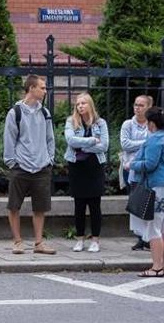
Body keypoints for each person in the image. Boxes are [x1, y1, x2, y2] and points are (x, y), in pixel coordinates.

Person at [3, 75, 56, 255]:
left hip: (42, 166)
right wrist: (12, 162)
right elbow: (9, 138)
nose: (45, 90)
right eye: (42, 87)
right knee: (14, 206)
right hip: (20, 165)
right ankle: (17, 241)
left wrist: (50, 159)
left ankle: (39, 243)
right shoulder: (15, 112)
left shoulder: (45, 113)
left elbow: (50, 138)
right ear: (31, 88)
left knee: (40, 207)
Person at [129, 107, 164, 277]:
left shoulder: (155, 140)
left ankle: (156, 267)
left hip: (158, 187)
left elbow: (150, 164)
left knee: (154, 227)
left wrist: (132, 165)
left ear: (152, 123)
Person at [64, 93, 109, 253]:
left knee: (95, 205)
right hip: (77, 167)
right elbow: (70, 141)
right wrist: (90, 141)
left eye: (83, 103)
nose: (80, 106)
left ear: (90, 105)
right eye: (78, 104)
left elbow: (104, 146)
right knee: (79, 205)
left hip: (95, 167)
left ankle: (95, 240)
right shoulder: (71, 121)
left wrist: (81, 146)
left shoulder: (100, 123)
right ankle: (79, 239)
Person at [122, 95, 154, 251]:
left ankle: (149, 237)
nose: (137, 108)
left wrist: (142, 145)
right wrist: (146, 143)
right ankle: (140, 237)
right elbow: (125, 144)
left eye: (141, 105)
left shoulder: (152, 125)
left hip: (148, 169)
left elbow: (154, 145)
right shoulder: (128, 124)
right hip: (131, 169)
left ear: (148, 107)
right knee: (136, 204)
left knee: (148, 204)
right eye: (136, 104)